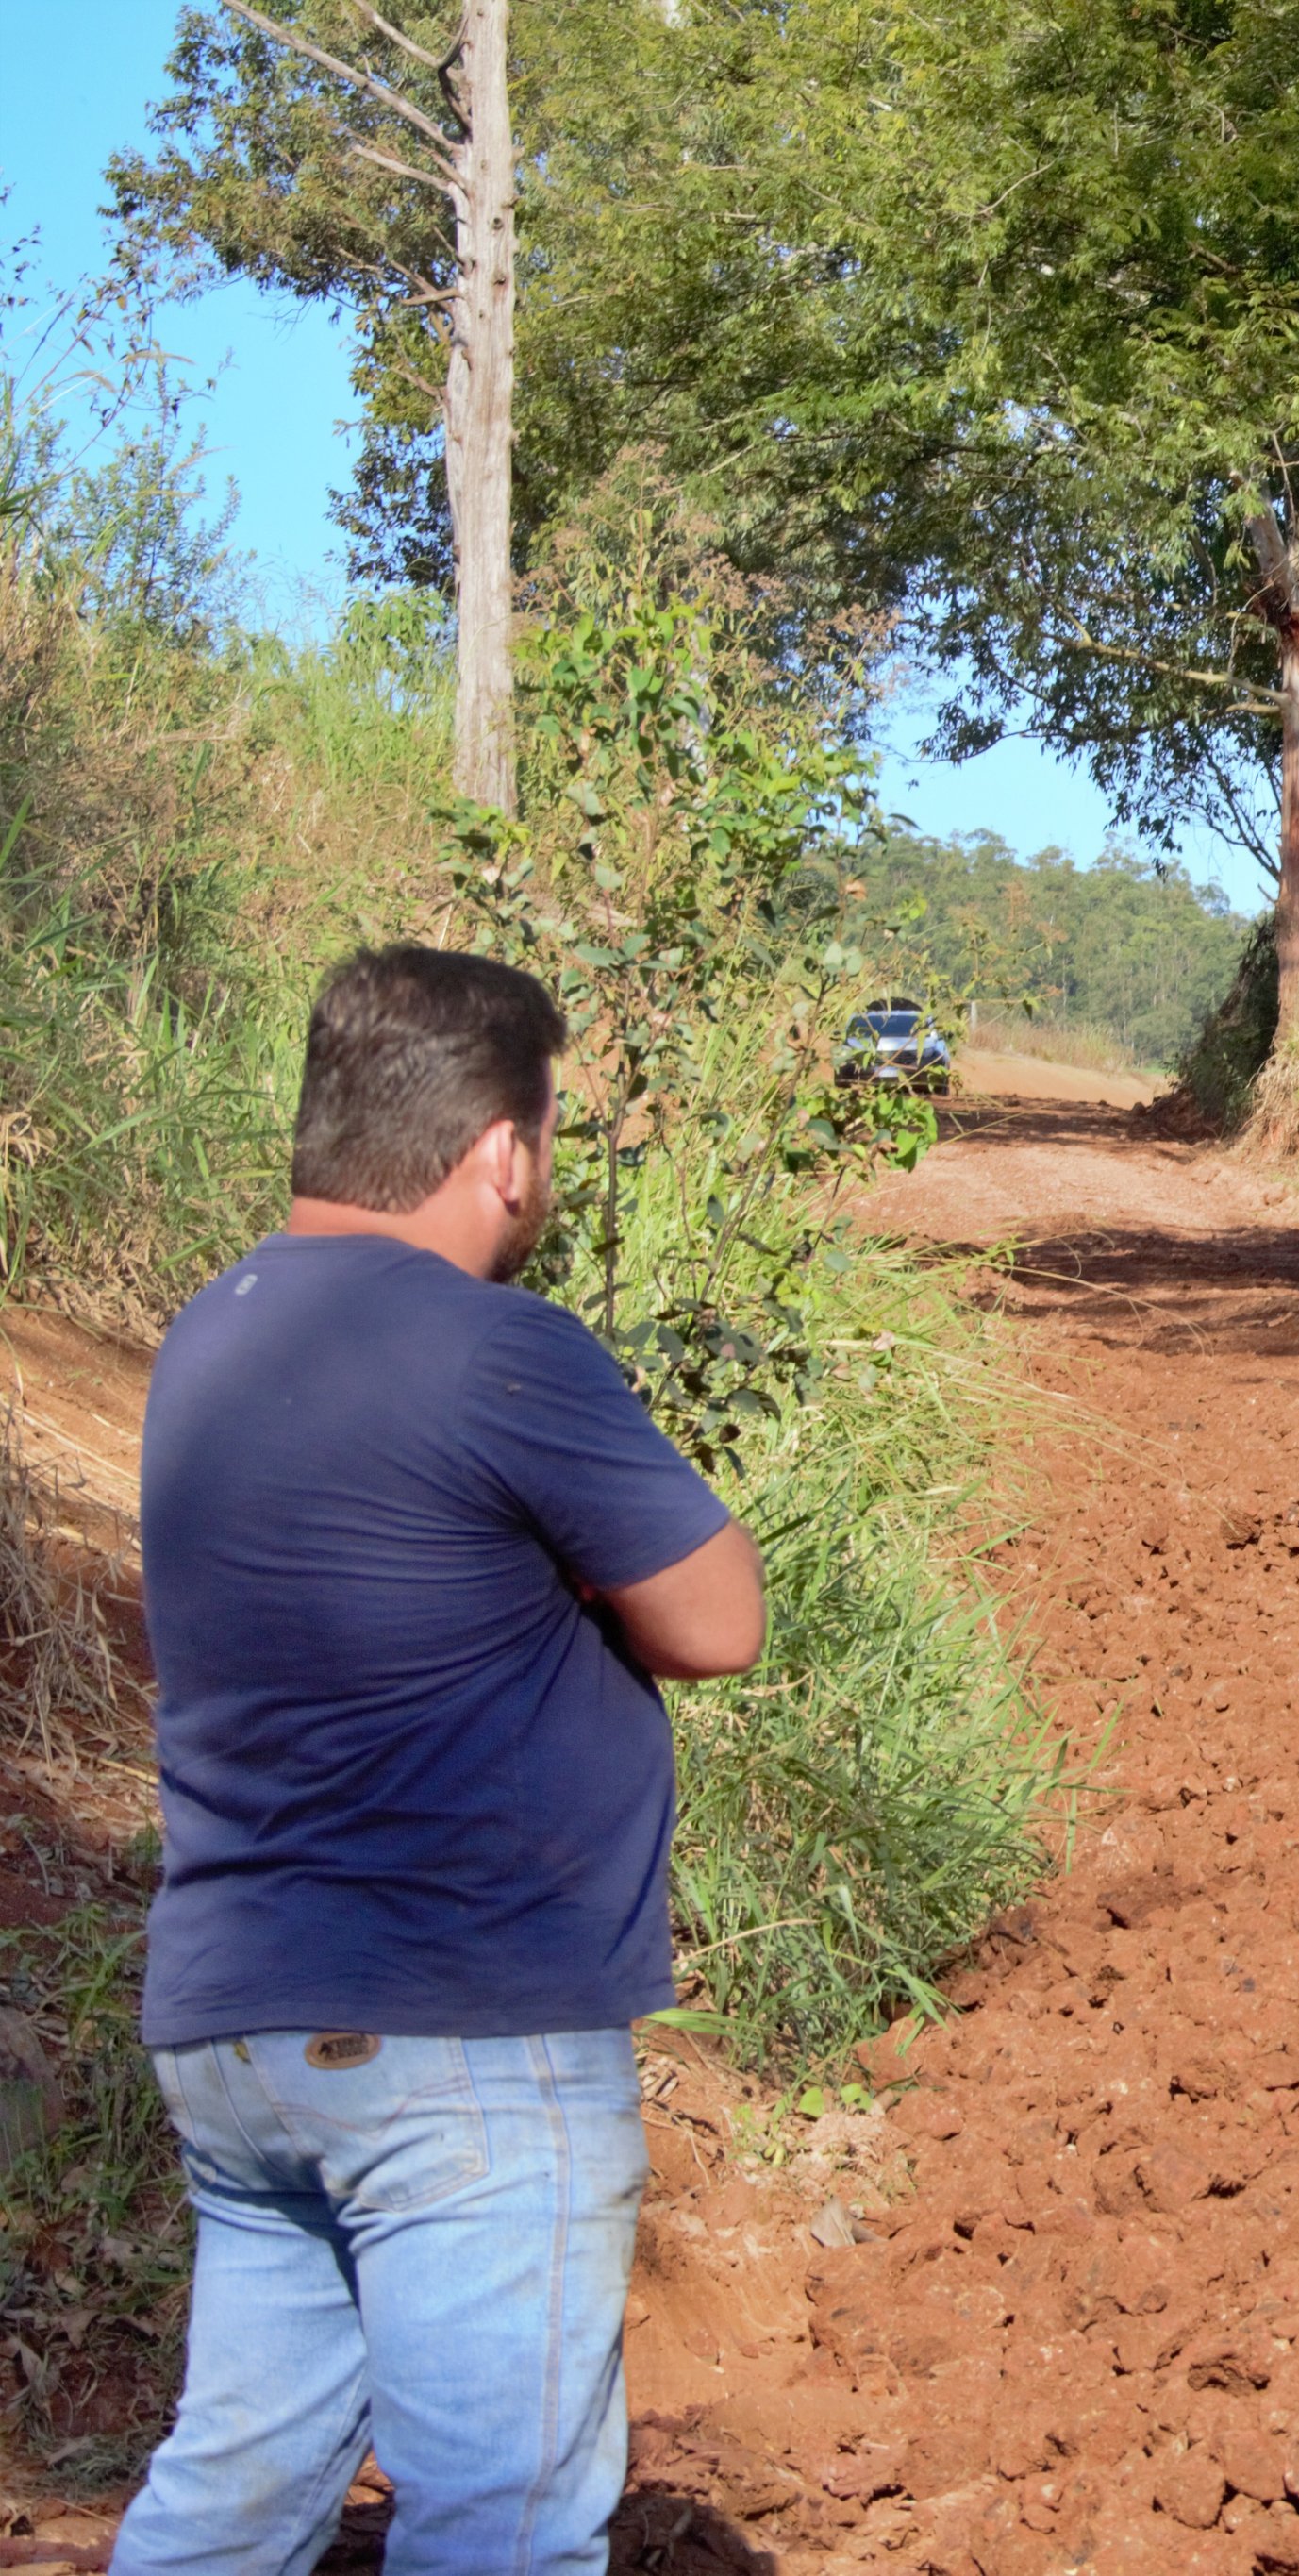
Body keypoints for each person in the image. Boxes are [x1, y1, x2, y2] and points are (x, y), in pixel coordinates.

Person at [112, 947, 766, 2576]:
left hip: (239, 2027)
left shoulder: (212, 1334)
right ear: (502, 1152)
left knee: (235, 2498)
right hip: (462, 2034)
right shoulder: (499, 1348)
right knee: (501, 2526)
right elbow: (717, 1616)